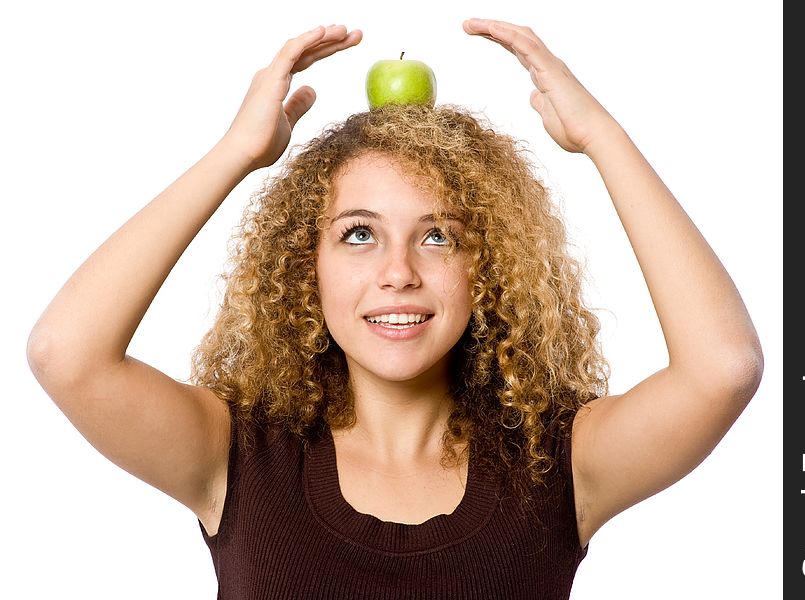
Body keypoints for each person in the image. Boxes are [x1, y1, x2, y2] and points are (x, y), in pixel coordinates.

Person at [26, 18, 763, 599]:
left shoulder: (560, 462)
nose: (398, 273)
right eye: (357, 235)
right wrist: (236, 153)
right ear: (303, 264)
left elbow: (722, 369)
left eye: (438, 236)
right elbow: (66, 352)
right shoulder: (237, 455)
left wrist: (602, 138)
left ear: (488, 266)